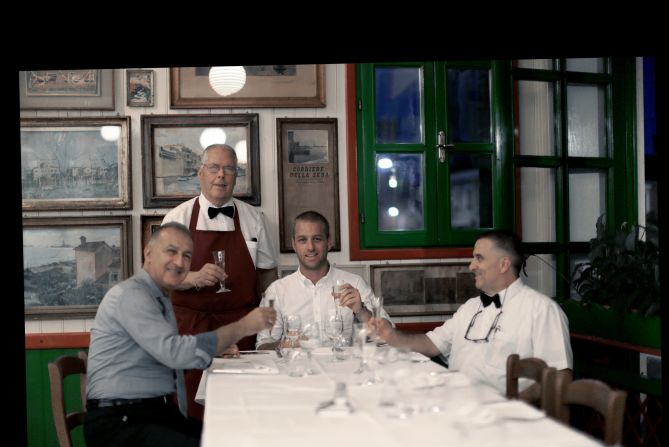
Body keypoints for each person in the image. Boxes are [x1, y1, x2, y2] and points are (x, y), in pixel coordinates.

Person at [84, 222, 276, 447]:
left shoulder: (160, 299)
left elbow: (165, 360)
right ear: (148, 253)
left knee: (236, 437)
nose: (179, 262)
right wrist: (243, 326)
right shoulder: (131, 295)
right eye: (171, 251)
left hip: (152, 414)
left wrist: (214, 351)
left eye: (187, 256)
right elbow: (174, 353)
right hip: (120, 423)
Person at [368, 229, 573, 394]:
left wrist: (510, 405)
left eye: (479, 258)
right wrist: (391, 335)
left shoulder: (542, 310)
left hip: (504, 419)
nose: (471, 266)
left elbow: (559, 377)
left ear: (503, 264)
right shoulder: (471, 307)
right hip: (456, 403)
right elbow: (431, 344)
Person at [162, 143, 278, 419]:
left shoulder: (254, 218)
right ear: (200, 173)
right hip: (191, 330)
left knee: (245, 409)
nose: (221, 175)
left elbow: (269, 276)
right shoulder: (176, 219)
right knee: (191, 411)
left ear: (236, 176)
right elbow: (158, 280)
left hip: (241, 329)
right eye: (214, 168)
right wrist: (191, 278)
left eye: (228, 169)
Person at [256, 211, 391, 350]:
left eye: (317, 239)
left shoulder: (355, 284)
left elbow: (388, 337)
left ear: (329, 242)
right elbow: (262, 347)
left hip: (344, 369)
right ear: (294, 244)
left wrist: (361, 311)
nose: (310, 247)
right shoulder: (277, 291)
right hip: (298, 369)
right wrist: (285, 344)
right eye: (302, 240)